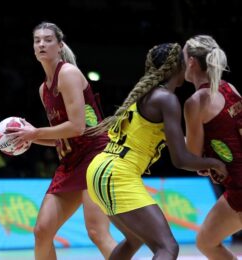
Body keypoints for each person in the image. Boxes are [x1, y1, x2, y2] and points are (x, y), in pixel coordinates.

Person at [84, 42, 228, 260]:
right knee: (167, 248)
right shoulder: (166, 99)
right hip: (118, 174)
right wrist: (215, 164)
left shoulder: (145, 94)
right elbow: (180, 159)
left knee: (134, 239)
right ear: (177, 67)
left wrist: (205, 158)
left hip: (101, 169)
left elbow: (174, 142)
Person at [6, 21, 117, 260]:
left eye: (48, 40)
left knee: (97, 231)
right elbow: (61, 136)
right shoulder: (43, 89)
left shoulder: (67, 73)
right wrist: (26, 139)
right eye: (37, 40)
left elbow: (77, 127)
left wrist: (35, 133)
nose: (42, 44)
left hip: (95, 156)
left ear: (59, 46)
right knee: (42, 231)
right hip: (71, 161)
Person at [183, 34, 242, 260]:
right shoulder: (230, 88)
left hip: (239, 186)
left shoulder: (196, 102)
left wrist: (171, 137)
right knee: (206, 241)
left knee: (206, 242)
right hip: (235, 184)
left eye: (183, 58)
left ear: (191, 63)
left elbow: (192, 157)